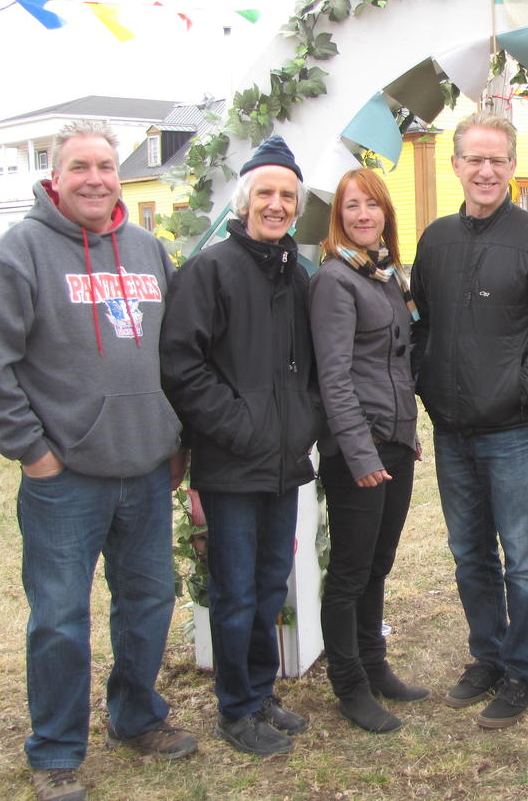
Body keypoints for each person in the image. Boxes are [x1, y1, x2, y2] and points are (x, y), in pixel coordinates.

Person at [0, 120, 196, 801]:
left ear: (120, 175)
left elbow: (178, 355)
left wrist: (176, 439)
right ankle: (56, 750)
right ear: (54, 178)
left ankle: (136, 716)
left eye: (106, 166)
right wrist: (34, 453)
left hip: (145, 470)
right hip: (65, 481)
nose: (95, 178)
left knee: (148, 601)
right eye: (80, 167)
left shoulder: (148, 250)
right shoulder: (19, 254)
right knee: (60, 618)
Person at [410, 112, 528, 729]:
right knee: (469, 554)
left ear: (512, 166)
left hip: (514, 431)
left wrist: (519, 389)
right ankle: (486, 656)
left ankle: (521, 671)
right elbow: (421, 323)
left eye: (497, 160)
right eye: (474, 159)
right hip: (452, 429)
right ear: (456, 164)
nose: (485, 171)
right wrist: (427, 380)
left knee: (524, 558)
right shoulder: (435, 240)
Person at [160, 135, 322, 757]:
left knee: (270, 583)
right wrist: (240, 427)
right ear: (245, 200)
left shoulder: (296, 275)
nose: (276, 205)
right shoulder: (211, 271)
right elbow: (182, 365)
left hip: (284, 462)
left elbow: (308, 370)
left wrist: (301, 424)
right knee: (235, 592)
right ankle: (235, 708)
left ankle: (260, 693)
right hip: (232, 463)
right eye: (266, 193)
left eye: (287, 196)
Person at [310, 167, 427, 734]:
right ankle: (349, 683)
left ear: (386, 213)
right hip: (359, 449)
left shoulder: (384, 275)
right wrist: (360, 455)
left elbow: (395, 365)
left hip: (395, 440)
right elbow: (334, 378)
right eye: (352, 205)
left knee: (379, 564)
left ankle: (374, 664)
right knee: (351, 572)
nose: (363, 215)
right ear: (339, 215)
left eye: (372, 205)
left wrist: (409, 430)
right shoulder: (335, 280)